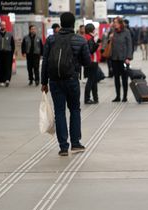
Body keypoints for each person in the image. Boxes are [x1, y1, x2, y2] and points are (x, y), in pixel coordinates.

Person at [41, 12, 91, 156]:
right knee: (75, 110)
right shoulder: (80, 40)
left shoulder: (51, 39)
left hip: (55, 81)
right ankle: (75, 144)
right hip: (72, 80)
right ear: (73, 23)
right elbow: (87, 62)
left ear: (61, 23)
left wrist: (44, 82)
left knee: (59, 112)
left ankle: (63, 147)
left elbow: (45, 62)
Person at [110, 17, 133, 102]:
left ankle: (125, 96)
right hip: (114, 58)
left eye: (116, 22)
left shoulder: (126, 32)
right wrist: (110, 38)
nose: (114, 24)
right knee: (116, 78)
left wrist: (128, 57)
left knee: (124, 78)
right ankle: (118, 96)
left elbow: (130, 45)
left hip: (124, 59)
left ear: (120, 23)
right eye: (114, 22)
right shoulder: (113, 32)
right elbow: (108, 44)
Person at [83, 23, 101, 105]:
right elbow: (91, 50)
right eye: (94, 28)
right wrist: (97, 44)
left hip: (89, 61)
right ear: (91, 30)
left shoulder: (86, 37)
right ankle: (87, 98)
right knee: (91, 80)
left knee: (93, 80)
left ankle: (95, 98)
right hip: (92, 61)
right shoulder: (90, 38)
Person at [0, 21, 15, 87]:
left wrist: (12, 53)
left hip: (8, 53)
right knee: (1, 67)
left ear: (5, 26)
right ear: (0, 26)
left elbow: (12, 45)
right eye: (1, 25)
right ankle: (1, 81)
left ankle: (7, 80)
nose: (2, 26)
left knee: (8, 67)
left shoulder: (10, 34)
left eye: (4, 25)